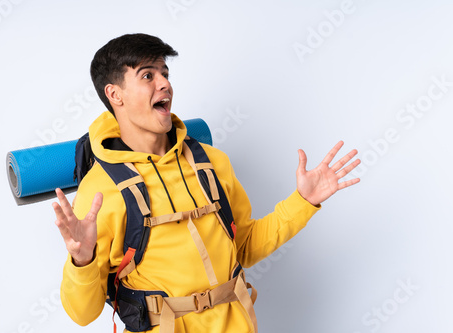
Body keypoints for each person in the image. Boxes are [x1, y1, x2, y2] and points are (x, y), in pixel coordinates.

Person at [52, 33, 360, 333]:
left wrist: (303, 202)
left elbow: (245, 247)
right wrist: (82, 259)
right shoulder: (99, 190)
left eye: (165, 73)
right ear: (115, 94)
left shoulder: (211, 162)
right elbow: (82, 314)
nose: (165, 84)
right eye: (147, 76)